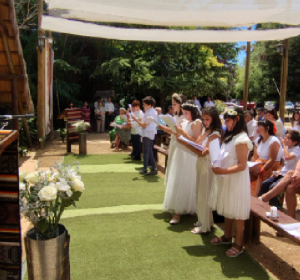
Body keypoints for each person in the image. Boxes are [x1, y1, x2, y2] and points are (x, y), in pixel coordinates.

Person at [209, 107, 252, 258]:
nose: (225, 123)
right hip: (227, 177)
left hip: (237, 178)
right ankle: (227, 236)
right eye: (225, 120)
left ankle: (239, 243)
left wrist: (222, 171)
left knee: (237, 211)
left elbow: (242, 165)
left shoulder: (241, 139)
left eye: (227, 120)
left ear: (237, 120)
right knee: (228, 207)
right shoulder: (230, 136)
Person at [179, 106, 222, 234]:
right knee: (199, 193)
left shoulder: (216, 133)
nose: (205, 121)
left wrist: (185, 143)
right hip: (201, 163)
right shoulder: (207, 131)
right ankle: (202, 219)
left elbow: (203, 152)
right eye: (203, 119)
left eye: (208, 119)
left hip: (208, 165)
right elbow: (198, 143)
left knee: (204, 194)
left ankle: (206, 225)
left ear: (214, 119)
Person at [162, 101, 202, 225]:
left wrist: (182, 132)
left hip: (190, 155)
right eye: (183, 113)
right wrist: (170, 128)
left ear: (193, 113)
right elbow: (177, 133)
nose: (184, 115)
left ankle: (188, 208)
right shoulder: (183, 121)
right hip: (180, 153)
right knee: (178, 179)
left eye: (186, 113)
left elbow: (196, 141)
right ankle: (177, 210)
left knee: (189, 181)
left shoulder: (197, 123)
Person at [259, 129, 300, 206]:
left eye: (288, 138)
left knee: (273, 186)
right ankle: (260, 202)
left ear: (295, 142)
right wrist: (278, 171)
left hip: (290, 175)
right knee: (265, 184)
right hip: (282, 173)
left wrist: (284, 145)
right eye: (285, 137)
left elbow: (287, 157)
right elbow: (283, 163)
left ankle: (274, 206)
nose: (285, 139)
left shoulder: (297, 149)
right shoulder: (285, 148)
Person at [158, 93, 186, 187]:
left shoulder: (184, 117)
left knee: (177, 163)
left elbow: (178, 132)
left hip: (180, 141)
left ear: (181, 104)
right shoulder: (175, 115)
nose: (173, 106)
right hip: (174, 140)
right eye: (172, 104)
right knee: (171, 161)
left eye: (175, 104)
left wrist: (165, 128)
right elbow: (173, 130)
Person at [249, 120, 282, 197]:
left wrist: (261, 171)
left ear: (267, 128)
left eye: (259, 126)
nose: (257, 128)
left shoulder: (273, 140)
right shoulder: (258, 140)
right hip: (259, 165)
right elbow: (255, 156)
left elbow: (272, 160)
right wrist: (251, 166)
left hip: (270, 168)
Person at [131, 96, 158, 176]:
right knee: (149, 151)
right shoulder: (153, 111)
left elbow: (144, 125)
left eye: (145, 104)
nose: (144, 106)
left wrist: (135, 119)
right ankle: (153, 167)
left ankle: (146, 168)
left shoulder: (149, 112)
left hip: (147, 133)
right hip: (151, 133)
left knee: (146, 151)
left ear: (150, 105)